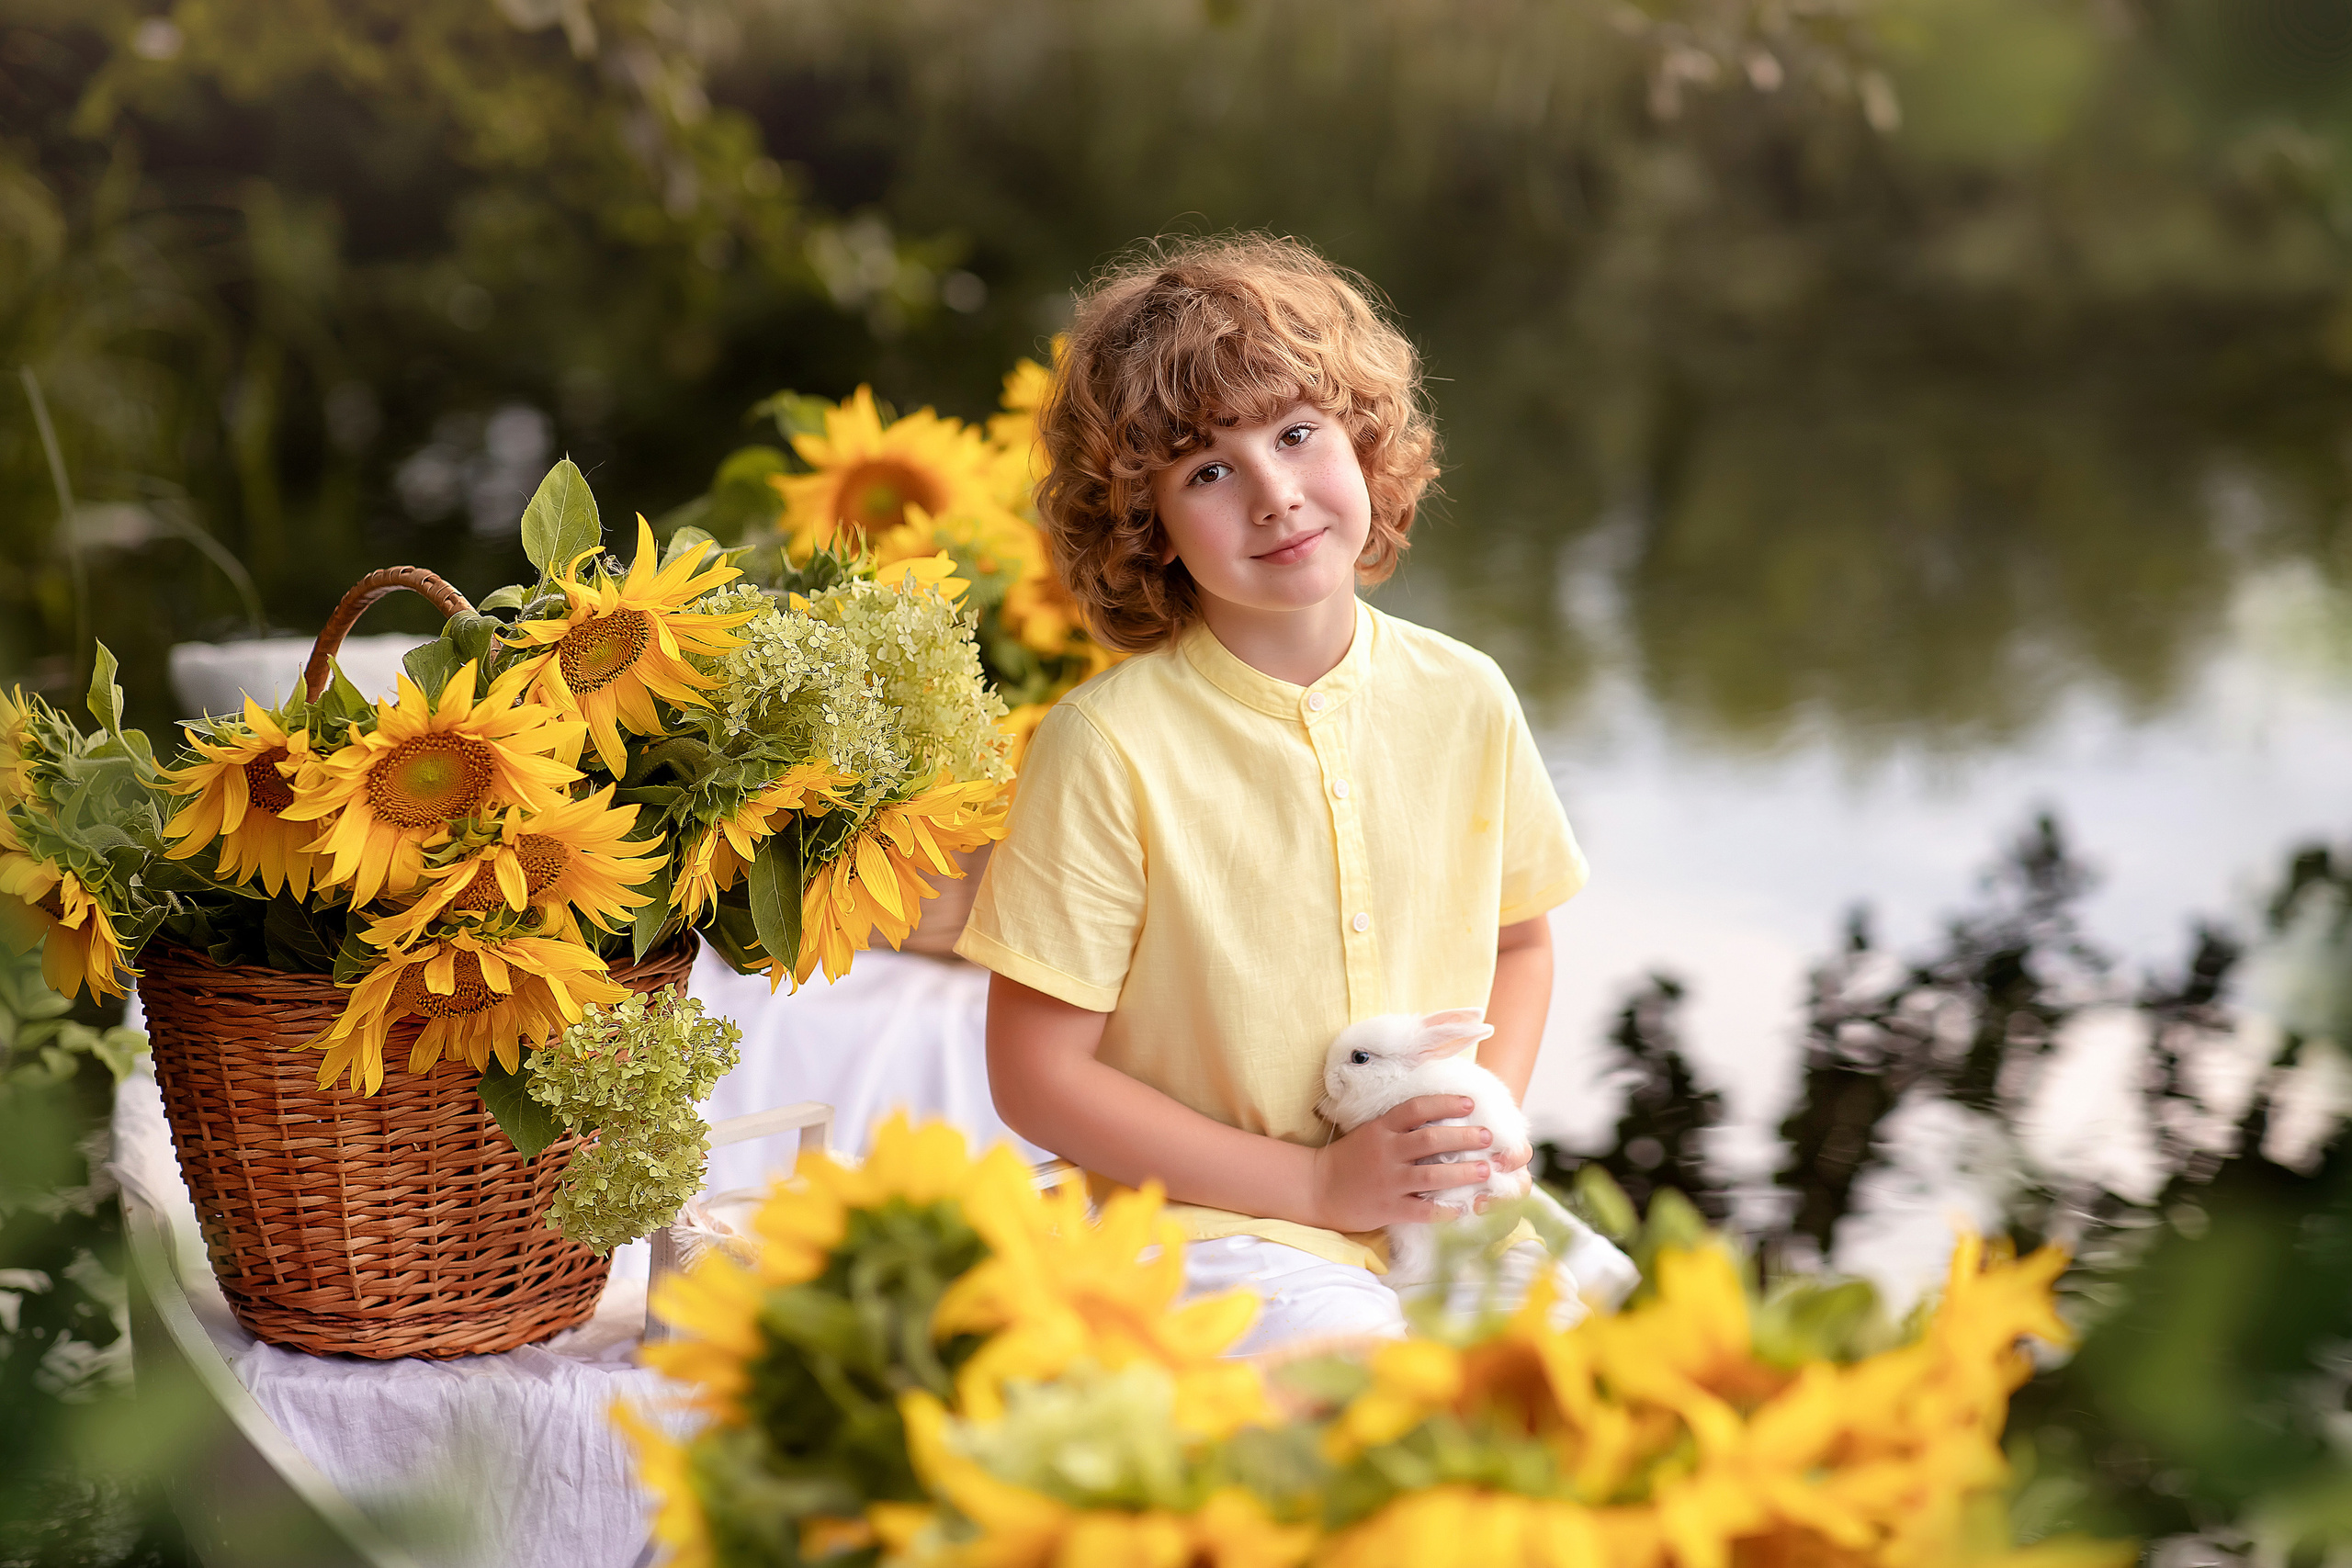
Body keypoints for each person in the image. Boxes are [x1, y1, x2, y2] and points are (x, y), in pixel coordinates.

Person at [954, 233, 1589, 1353]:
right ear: (1142, 523)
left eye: (1297, 434)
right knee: (1372, 1412)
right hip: (1206, 1230)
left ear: (1366, 441)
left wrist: (1469, 1130)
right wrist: (1321, 1187)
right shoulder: (1106, 746)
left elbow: (1521, 945)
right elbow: (1037, 1076)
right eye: (1208, 470)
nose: (1275, 494)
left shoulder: (1468, 697)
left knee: (1571, 1407)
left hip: (1438, 1212)